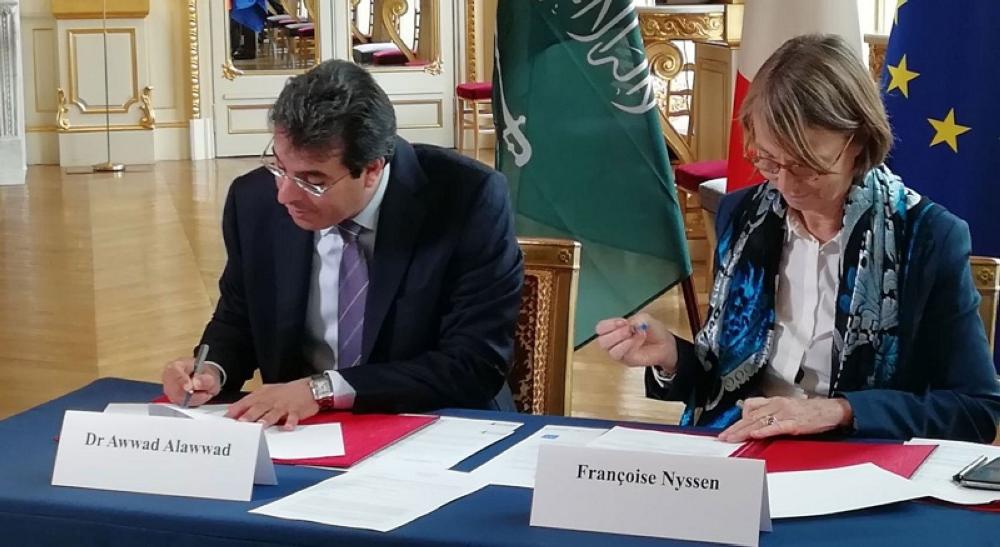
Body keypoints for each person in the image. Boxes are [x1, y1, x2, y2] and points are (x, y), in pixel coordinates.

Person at [596, 34, 1000, 443]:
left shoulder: (927, 237)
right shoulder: (745, 216)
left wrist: (840, 411)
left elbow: (976, 410)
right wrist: (672, 357)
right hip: (741, 446)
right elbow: (723, 378)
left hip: (857, 459)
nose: (787, 186)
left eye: (808, 165)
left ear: (859, 141)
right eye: (769, 162)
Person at [161, 60, 523, 428]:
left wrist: (323, 390)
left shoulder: (468, 199)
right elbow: (239, 318)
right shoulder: (253, 201)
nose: (285, 195)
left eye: (312, 181)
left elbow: (473, 363)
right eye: (280, 168)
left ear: (372, 170)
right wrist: (211, 368)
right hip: (302, 431)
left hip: (438, 422)